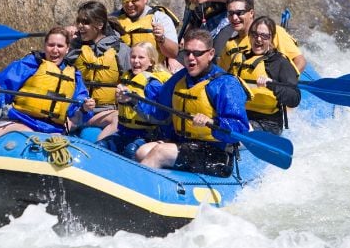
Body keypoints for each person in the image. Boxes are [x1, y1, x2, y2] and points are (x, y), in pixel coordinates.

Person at [135, 29, 250, 177]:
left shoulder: (225, 83)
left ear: (210, 54)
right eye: (187, 53)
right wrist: (133, 100)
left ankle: (134, 194)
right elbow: (159, 110)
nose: (190, 58)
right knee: (141, 152)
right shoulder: (179, 78)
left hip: (216, 155)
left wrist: (212, 122)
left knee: (159, 152)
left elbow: (239, 129)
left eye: (197, 53)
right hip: (185, 145)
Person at [0, 27, 96, 140]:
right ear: (44, 46)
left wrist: (85, 108)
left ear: (67, 49)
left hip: (53, 130)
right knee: (28, 136)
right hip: (19, 122)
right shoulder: (29, 65)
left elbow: (77, 117)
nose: (55, 50)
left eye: (60, 46)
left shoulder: (75, 75)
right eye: (51, 45)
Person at [67, 0, 130, 139]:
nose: (80, 26)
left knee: (119, 119)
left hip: (104, 113)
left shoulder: (121, 50)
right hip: (78, 111)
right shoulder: (73, 47)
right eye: (79, 22)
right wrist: (66, 40)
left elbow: (133, 81)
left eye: (86, 22)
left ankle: (100, 146)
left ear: (100, 25)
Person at [227, 16, 301, 134]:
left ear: (271, 39)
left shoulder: (279, 63)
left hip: (268, 123)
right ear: (249, 36)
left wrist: (272, 85)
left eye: (264, 36)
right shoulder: (239, 58)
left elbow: (294, 98)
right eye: (255, 34)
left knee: (236, 132)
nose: (259, 39)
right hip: (240, 116)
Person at [99, 42, 171, 159]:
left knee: (131, 151)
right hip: (124, 132)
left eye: (141, 57)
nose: (136, 61)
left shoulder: (153, 84)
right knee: (100, 146)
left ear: (151, 62)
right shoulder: (127, 77)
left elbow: (158, 116)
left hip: (146, 135)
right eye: (133, 57)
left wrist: (133, 101)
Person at [218, 0, 307, 75]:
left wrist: (284, 84)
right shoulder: (229, 45)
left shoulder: (273, 32)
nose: (234, 18)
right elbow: (223, 76)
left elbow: (300, 61)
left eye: (239, 13)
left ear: (251, 13)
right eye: (230, 13)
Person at [111, 0, 182, 72]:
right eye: (125, 0)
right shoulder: (113, 20)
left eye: (134, 0)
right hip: (122, 78)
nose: (130, 5)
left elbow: (173, 53)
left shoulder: (160, 18)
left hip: (152, 76)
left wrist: (161, 38)